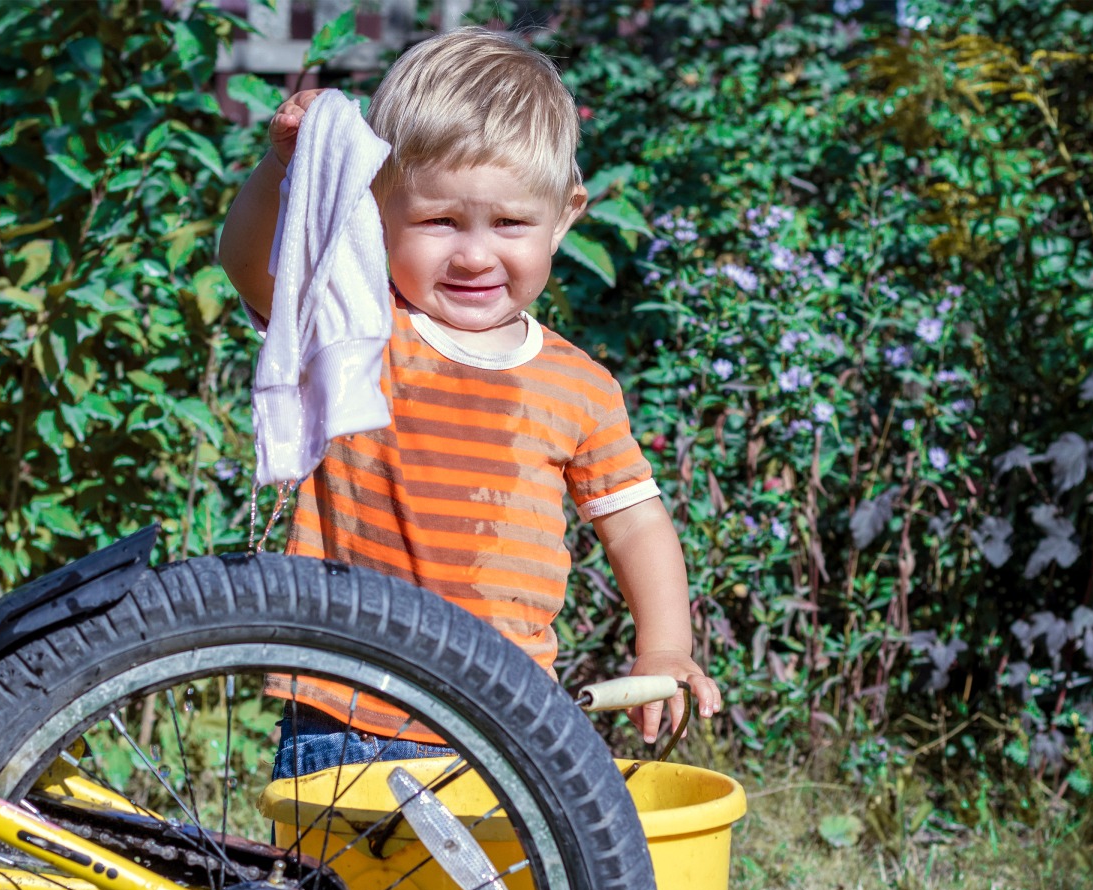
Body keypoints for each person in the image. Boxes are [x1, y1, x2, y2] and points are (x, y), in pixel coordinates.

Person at [218, 27, 722, 778]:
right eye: (440, 222)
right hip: (345, 706)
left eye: (511, 224)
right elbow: (248, 263)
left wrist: (665, 647)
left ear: (566, 215)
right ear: (377, 210)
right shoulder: (359, 330)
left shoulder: (577, 385)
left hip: (508, 719)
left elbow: (635, 521)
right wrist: (284, 166)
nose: (476, 255)